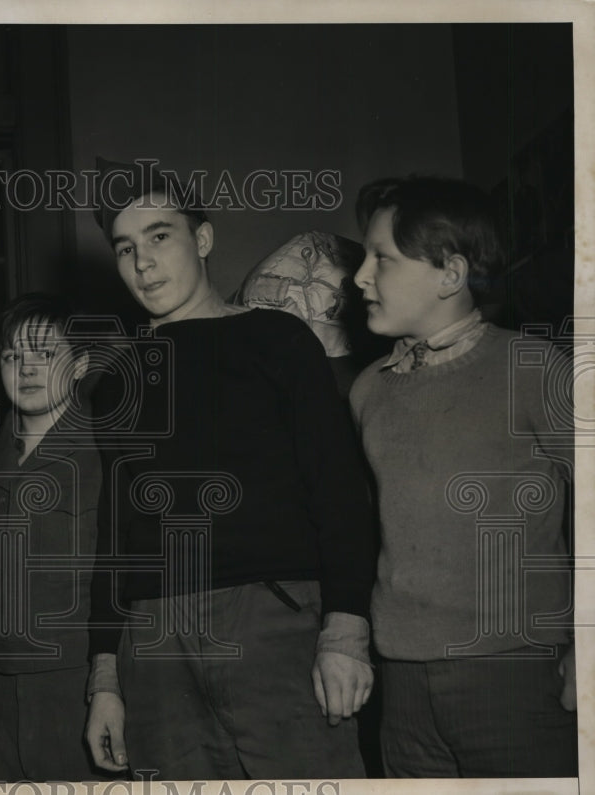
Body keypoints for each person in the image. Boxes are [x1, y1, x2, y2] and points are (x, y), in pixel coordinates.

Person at [84, 160, 378, 779]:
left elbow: (339, 487)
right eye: (125, 248)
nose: (143, 262)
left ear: (204, 239)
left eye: (160, 236)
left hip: (273, 621)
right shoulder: (114, 382)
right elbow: (115, 535)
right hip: (155, 638)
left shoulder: (278, 340)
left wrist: (346, 624)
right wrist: (105, 676)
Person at [348, 175, 577, 777]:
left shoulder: (529, 368)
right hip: (401, 685)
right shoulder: (369, 389)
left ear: (451, 274)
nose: (360, 277)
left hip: (515, 673)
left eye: (382, 260)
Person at [0, 293, 105, 781]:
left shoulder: (109, 455)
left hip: (72, 685)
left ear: (81, 364)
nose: (25, 368)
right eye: (10, 356)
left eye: (44, 354)